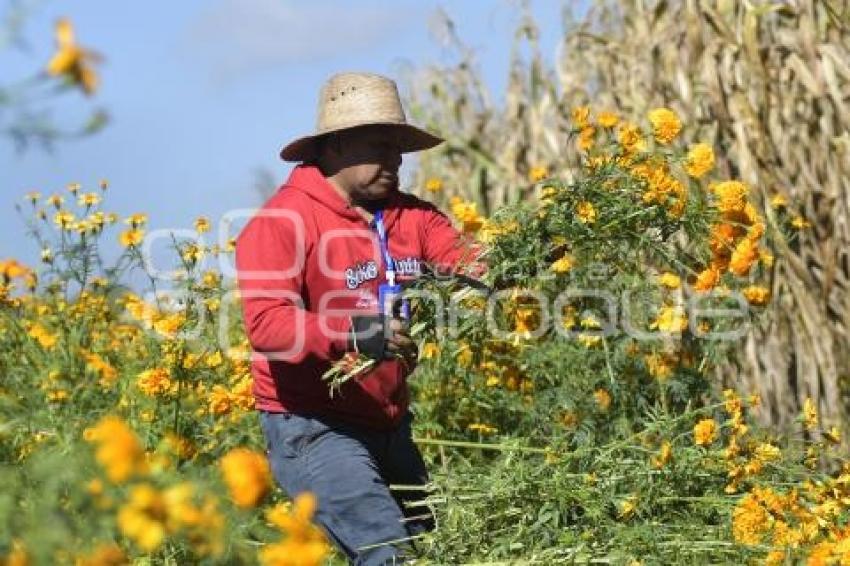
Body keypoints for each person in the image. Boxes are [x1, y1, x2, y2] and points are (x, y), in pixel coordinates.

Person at [234, 72, 479, 564]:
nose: (396, 160)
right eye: (380, 146)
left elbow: (469, 264)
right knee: (388, 552)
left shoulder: (413, 217)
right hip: (313, 426)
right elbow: (267, 324)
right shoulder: (282, 222)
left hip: (389, 423)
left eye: (399, 148)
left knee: (436, 549)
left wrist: (526, 255)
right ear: (336, 146)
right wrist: (357, 332)